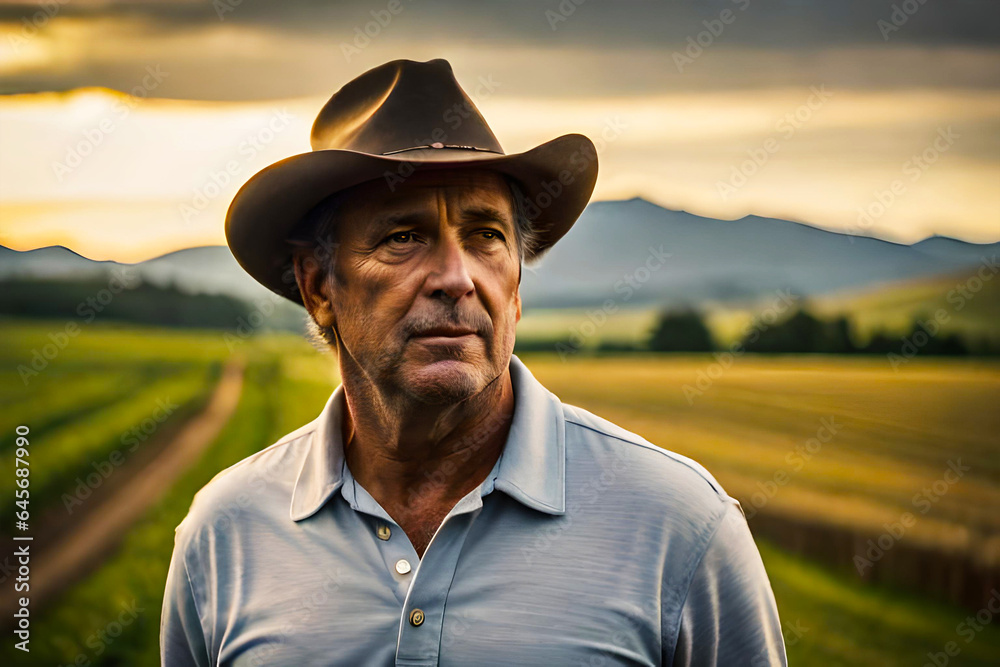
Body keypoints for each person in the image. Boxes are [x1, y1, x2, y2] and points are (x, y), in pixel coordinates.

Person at [160, 58, 787, 666]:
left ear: (515, 287)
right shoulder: (225, 533)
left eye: (486, 235)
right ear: (319, 286)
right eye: (402, 237)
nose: (456, 278)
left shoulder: (679, 526)